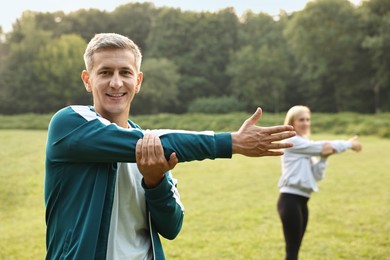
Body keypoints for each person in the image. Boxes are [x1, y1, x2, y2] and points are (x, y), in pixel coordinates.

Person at [44, 32, 296, 260]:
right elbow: (159, 143)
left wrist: (155, 183)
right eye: (105, 72)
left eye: (125, 72)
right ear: (87, 80)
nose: (116, 83)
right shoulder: (69, 123)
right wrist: (232, 142)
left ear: (138, 80)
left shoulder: (154, 147)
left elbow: (172, 226)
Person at [276, 105, 362, 260]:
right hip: (290, 201)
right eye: (301, 119)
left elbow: (315, 176)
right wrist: (349, 144)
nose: (305, 123)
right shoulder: (292, 141)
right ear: (292, 123)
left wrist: (324, 158)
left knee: (295, 250)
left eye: (308, 120)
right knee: (292, 253)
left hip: (302, 202)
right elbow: (324, 146)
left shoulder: (306, 144)